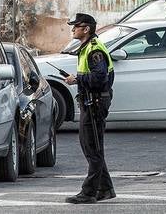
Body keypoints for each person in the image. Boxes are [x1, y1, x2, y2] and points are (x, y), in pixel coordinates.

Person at [64, 13, 115, 204]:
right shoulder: (87, 47)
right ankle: (105, 189)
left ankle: (89, 192)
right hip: (89, 101)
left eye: (76, 26)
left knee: (92, 148)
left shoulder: (94, 50)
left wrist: (76, 79)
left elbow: (100, 78)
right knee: (92, 147)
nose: (73, 29)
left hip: (95, 103)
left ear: (86, 29)